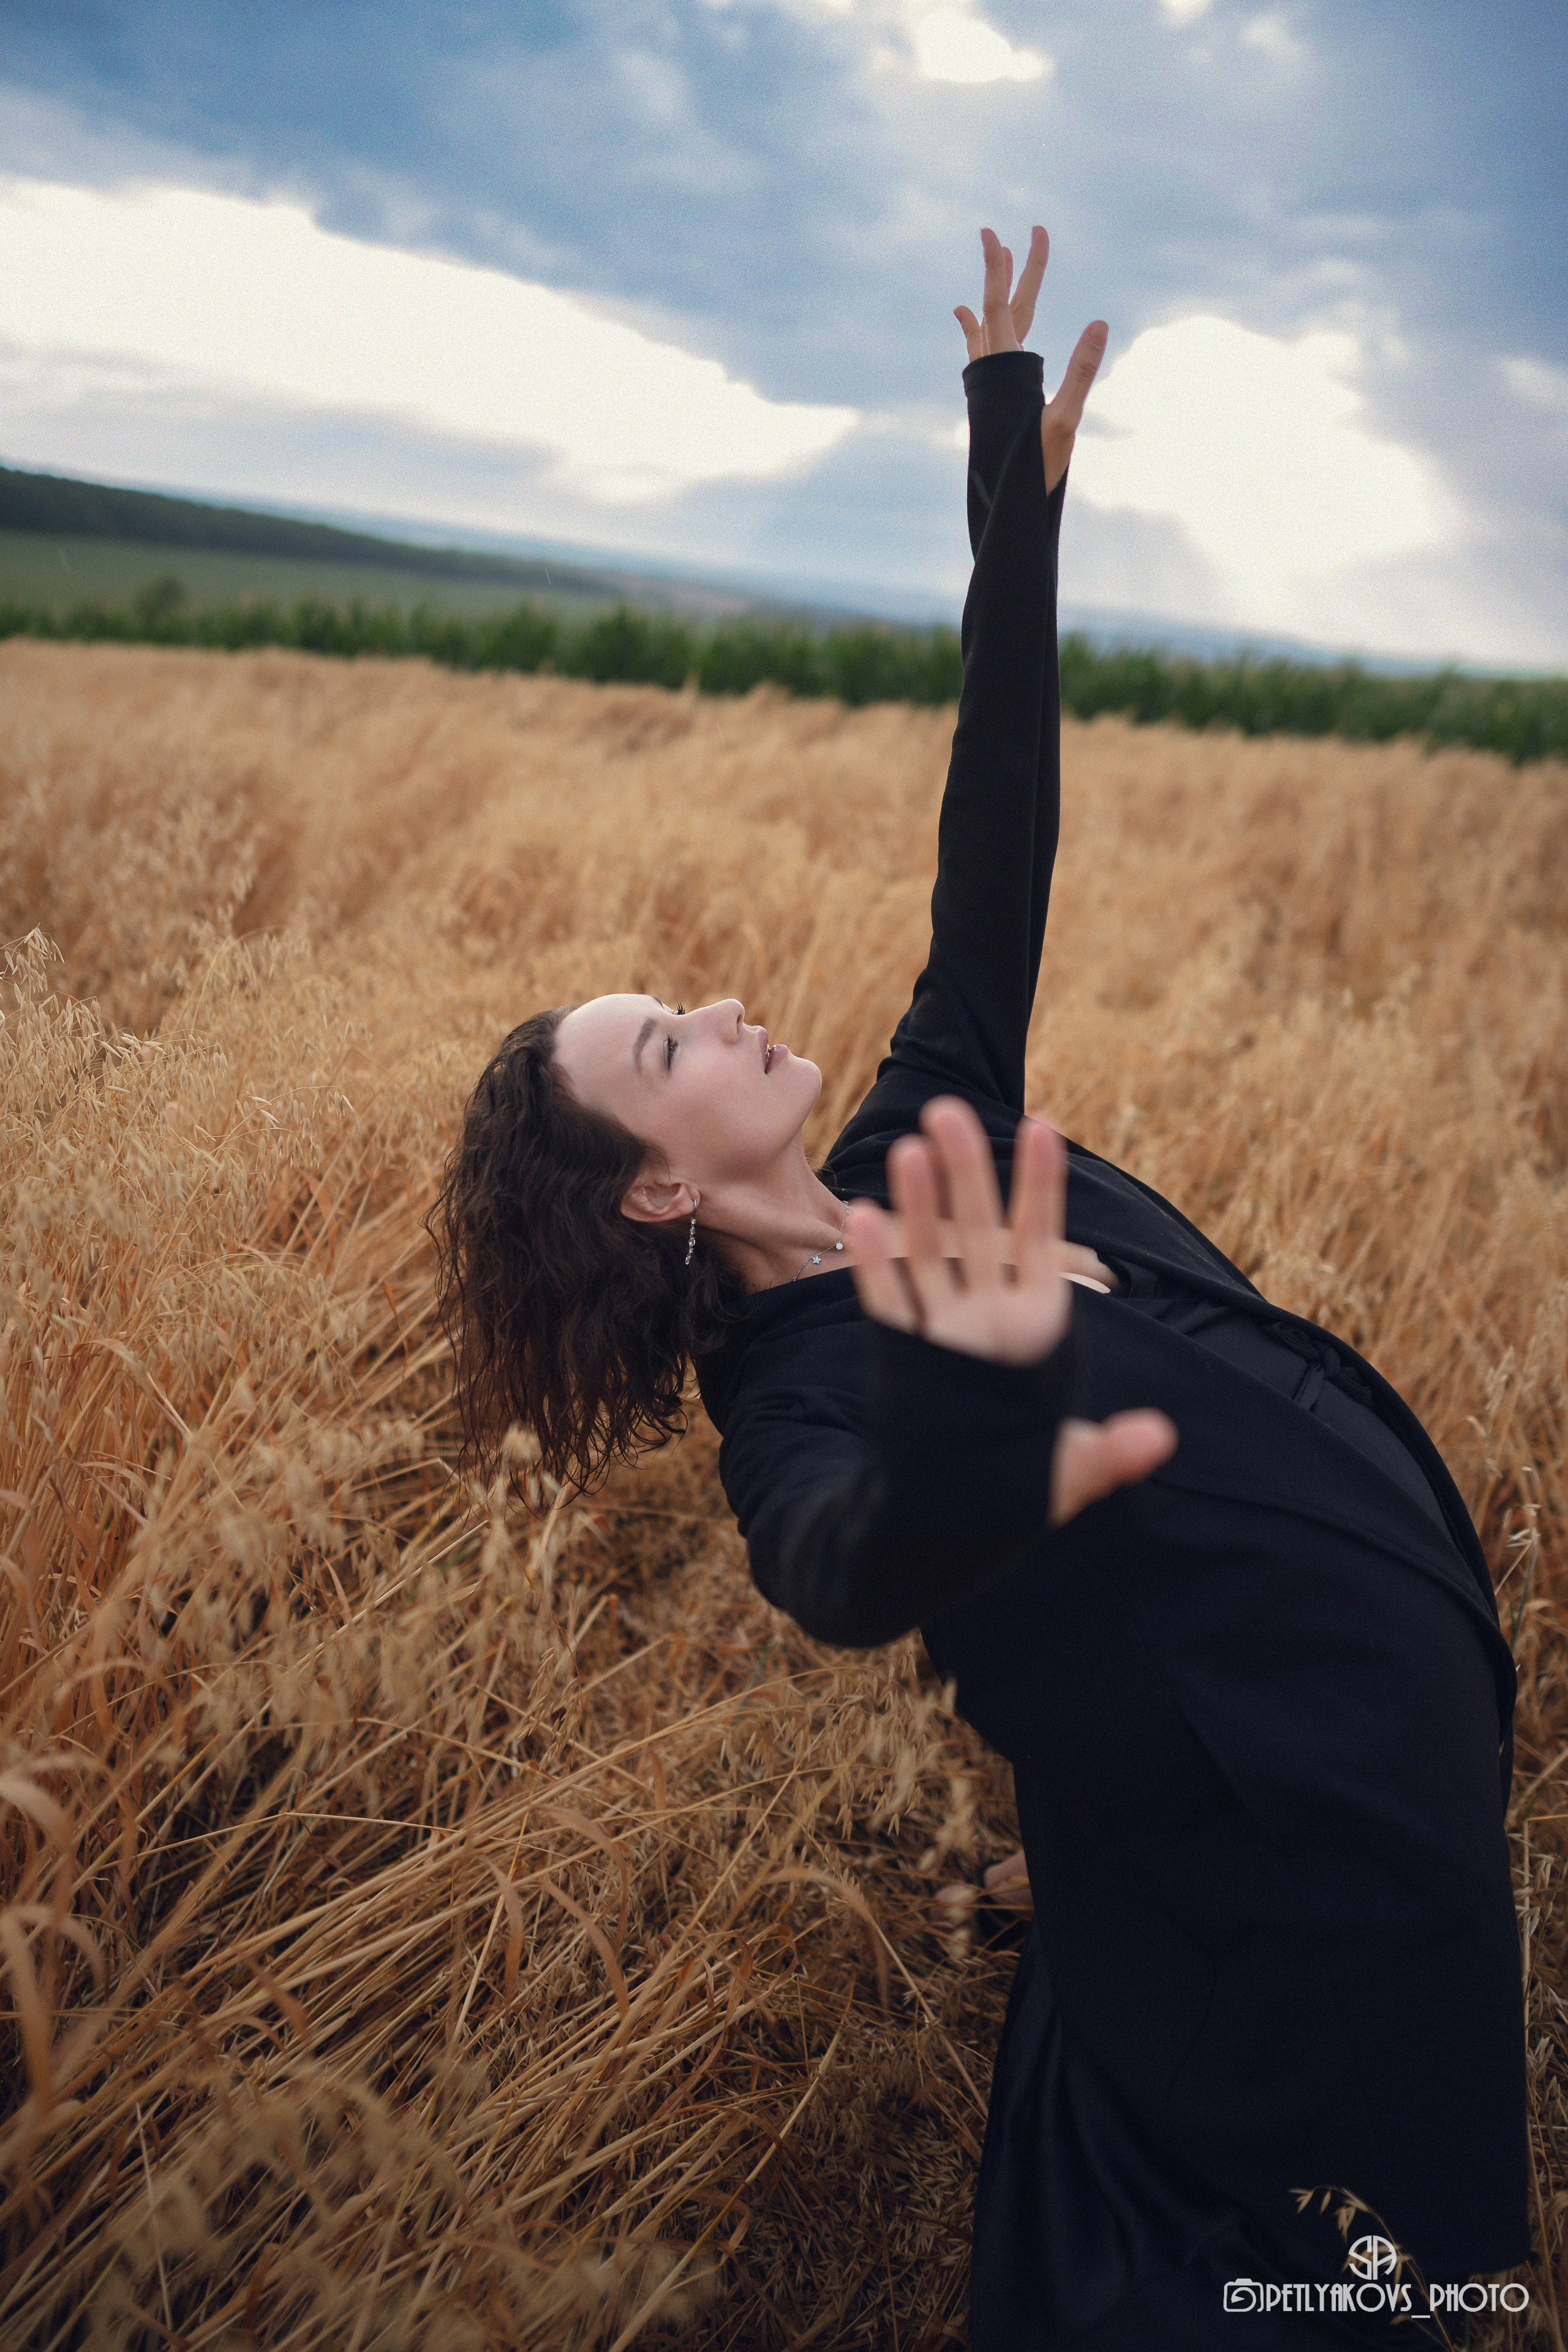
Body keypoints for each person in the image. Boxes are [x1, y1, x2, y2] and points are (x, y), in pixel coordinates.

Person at [434, 227, 1529, 2348]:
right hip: (1292, 1824)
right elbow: (850, 1569)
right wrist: (970, 1390)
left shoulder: (894, 1140)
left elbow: (994, 848)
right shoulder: (794, 1408)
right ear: (656, 1200)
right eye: (669, 1047)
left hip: (1338, 1706)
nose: (727, 1006)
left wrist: (1011, 501)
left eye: (681, 1000)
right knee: (1341, 2278)